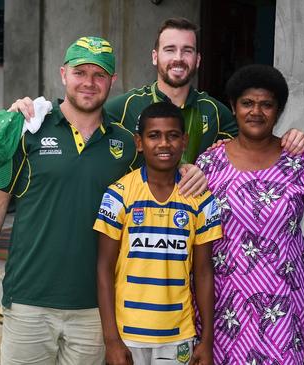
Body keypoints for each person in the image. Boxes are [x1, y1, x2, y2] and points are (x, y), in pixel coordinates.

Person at [0, 37, 135, 364]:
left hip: (95, 307)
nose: (88, 82)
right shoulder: (29, 128)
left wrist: (186, 168)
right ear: (63, 74)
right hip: (29, 301)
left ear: (113, 81)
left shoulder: (126, 145)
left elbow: (158, 186)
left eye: (99, 75)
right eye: (79, 72)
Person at [12, 17, 304, 170]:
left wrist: (289, 139)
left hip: (197, 232)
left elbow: (257, 139)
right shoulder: (124, 106)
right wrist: (35, 109)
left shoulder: (216, 112)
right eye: (170, 49)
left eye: (187, 50)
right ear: (155, 56)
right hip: (139, 231)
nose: (178, 58)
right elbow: (79, 116)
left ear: (197, 60)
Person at [195, 64, 304, 364]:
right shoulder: (209, 164)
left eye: (266, 104)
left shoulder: (300, 161)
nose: (256, 112)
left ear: (278, 111)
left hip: (281, 311)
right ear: (233, 107)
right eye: (247, 103)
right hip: (224, 309)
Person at [94, 101, 221, 365]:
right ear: (139, 142)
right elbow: (104, 267)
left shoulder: (202, 201)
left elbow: (204, 272)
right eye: (154, 136)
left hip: (178, 335)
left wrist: (207, 340)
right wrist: (111, 340)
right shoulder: (118, 194)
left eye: (173, 135)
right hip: (127, 335)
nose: (164, 144)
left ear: (184, 141)